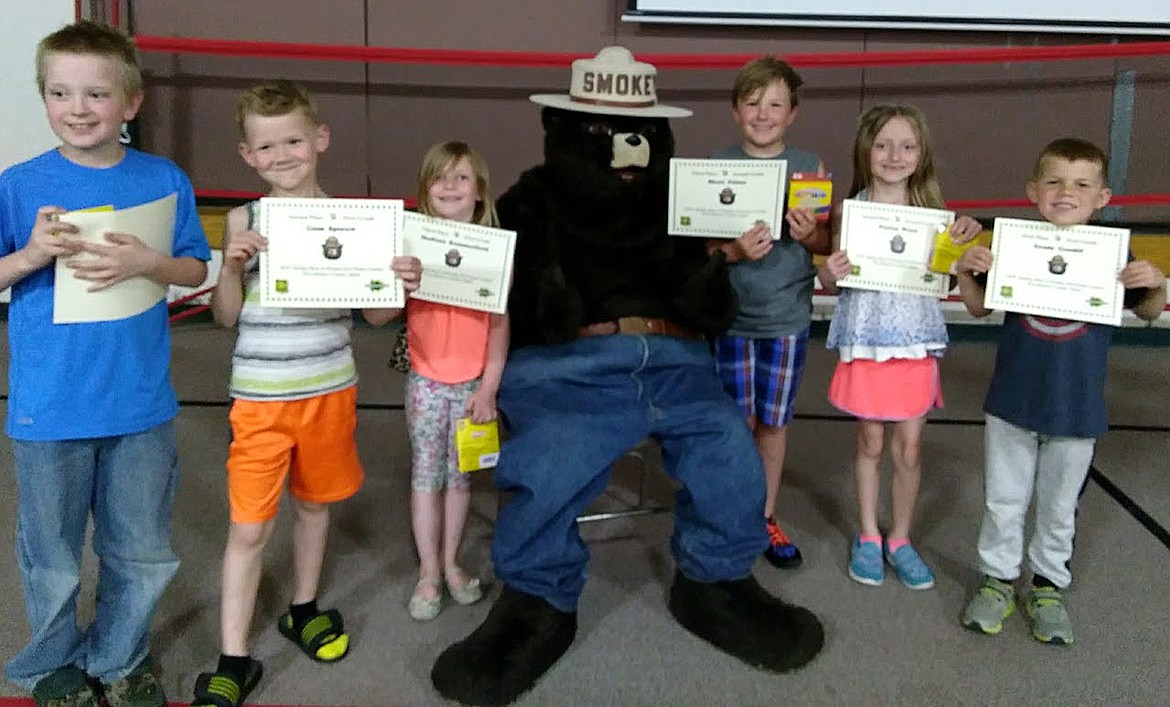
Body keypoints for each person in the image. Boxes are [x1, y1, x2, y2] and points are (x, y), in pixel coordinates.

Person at [189, 81, 421, 707]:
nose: (283, 153)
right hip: (260, 399)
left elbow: (373, 320)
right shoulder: (245, 219)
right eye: (267, 146)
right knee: (248, 528)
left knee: (316, 507)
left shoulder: (356, 220)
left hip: (329, 393)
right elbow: (225, 318)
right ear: (248, 155)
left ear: (320, 139)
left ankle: (302, 608)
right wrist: (232, 267)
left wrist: (397, 284)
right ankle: (233, 658)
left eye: (294, 138)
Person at [0, 20, 210, 707]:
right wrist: (31, 255)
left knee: (142, 548)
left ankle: (121, 656)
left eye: (96, 93)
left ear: (130, 102)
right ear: (44, 98)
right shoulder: (20, 184)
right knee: (52, 553)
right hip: (49, 405)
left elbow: (192, 266)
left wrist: (147, 262)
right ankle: (50, 664)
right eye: (61, 92)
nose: (78, 107)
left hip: (140, 403)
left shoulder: (163, 178)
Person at [954, 137, 1165, 644]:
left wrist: (1156, 281)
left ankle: (1048, 584)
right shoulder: (1013, 244)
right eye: (1053, 181)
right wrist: (966, 270)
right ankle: (998, 578)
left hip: (1077, 406)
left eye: (1081, 184)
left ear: (1103, 198)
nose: (1066, 192)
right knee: (1004, 499)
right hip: (1012, 399)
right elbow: (981, 308)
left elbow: (1150, 310)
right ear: (1032, 190)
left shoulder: (1115, 252)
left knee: (1058, 503)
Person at [817, 105, 983, 590]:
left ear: (921, 154)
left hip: (915, 342)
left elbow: (953, 277)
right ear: (866, 150)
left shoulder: (937, 217)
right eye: (883, 144)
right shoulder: (849, 211)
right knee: (870, 442)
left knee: (909, 449)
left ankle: (901, 539)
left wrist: (962, 240)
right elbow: (833, 278)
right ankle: (869, 535)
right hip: (867, 339)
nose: (894, 155)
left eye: (907, 146)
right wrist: (828, 273)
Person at [706, 56, 832, 569]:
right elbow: (699, 248)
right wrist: (733, 252)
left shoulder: (811, 168)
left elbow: (826, 241)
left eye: (775, 104)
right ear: (736, 112)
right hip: (730, 318)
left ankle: (764, 515)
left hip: (786, 320)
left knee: (773, 423)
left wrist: (812, 235)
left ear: (793, 113)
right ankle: (728, 514)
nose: (763, 114)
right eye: (753, 103)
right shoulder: (716, 168)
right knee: (733, 423)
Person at [398, 140, 507, 621]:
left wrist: (489, 388)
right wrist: (399, 280)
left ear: (480, 191)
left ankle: (451, 562)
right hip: (425, 381)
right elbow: (381, 311)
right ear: (425, 189)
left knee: (460, 479)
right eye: (439, 177)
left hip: (471, 384)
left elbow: (500, 327)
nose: (450, 185)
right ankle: (427, 571)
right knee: (426, 475)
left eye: (461, 177)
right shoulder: (411, 245)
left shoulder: (495, 251)